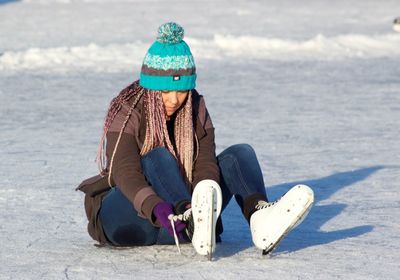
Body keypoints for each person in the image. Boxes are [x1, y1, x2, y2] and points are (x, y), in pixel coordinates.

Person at [77, 22, 314, 259]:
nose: (173, 99)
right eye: (165, 92)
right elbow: (124, 170)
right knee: (158, 155)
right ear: (150, 88)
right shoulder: (128, 109)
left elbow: (205, 164)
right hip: (130, 218)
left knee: (239, 154)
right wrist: (155, 205)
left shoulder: (196, 108)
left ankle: (258, 218)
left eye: (181, 91)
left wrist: (205, 202)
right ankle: (191, 216)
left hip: (181, 227)